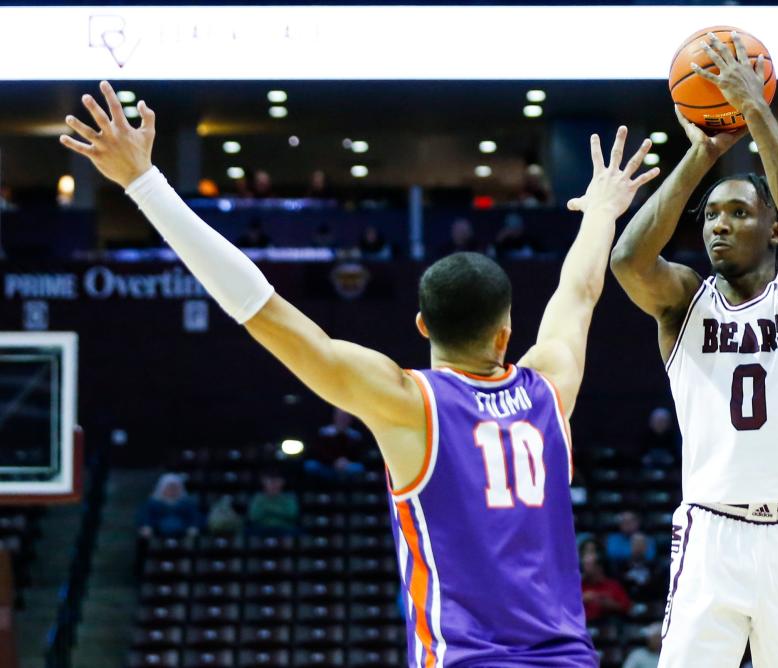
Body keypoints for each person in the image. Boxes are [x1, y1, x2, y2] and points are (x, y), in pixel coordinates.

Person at [60, 82, 660, 666]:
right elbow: (579, 290)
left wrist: (145, 183)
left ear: (422, 325)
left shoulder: (407, 401)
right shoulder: (548, 388)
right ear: (506, 335)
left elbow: (262, 310)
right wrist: (603, 208)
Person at [610, 33, 778, 667]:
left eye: (738, 213)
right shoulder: (685, 301)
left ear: (772, 228)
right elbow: (628, 260)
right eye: (712, 214)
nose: (719, 223)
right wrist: (705, 155)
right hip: (712, 531)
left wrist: (758, 113)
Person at [137, 473, 203, 539]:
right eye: (169, 488)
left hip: (183, 533)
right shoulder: (153, 503)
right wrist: (146, 526)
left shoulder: (186, 503)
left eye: (175, 488)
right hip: (158, 533)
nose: (172, 491)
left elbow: (194, 516)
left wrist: (194, 526)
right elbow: (146, 516)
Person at [581, 549, 631, 623]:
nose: (584, 568)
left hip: (607, 626)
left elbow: (627, 606)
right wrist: (582, 599)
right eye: (583, 565)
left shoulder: (613, 585)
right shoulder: (578, 586)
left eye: (588, 565)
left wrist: (611, 605)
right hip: (583, 625)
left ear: (599, 567)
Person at [247, 469, 299, 536]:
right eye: (270, 481)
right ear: (263, 482)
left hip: (284, 528)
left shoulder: (289, 498)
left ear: (283, 482)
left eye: (277, 481)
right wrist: (279, 511)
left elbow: (292, 514)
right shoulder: (257, 498)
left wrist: (267, 510)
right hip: (261, 528)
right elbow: (253, 516)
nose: (273, 484)